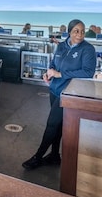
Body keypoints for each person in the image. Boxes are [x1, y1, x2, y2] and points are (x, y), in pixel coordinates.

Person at [22, 19, 97, 170]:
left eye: (82, 31)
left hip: (69, 92)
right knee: (58, 124)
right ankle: (55, 155)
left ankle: (38, 156)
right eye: (76, 31)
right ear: (69, 32)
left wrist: (60, 74)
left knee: (51, 124)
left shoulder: (88, 49)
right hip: (55, 89)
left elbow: (88, 72)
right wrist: (48, 73)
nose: (80, 34)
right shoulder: (62, 46)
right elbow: (54, 63)